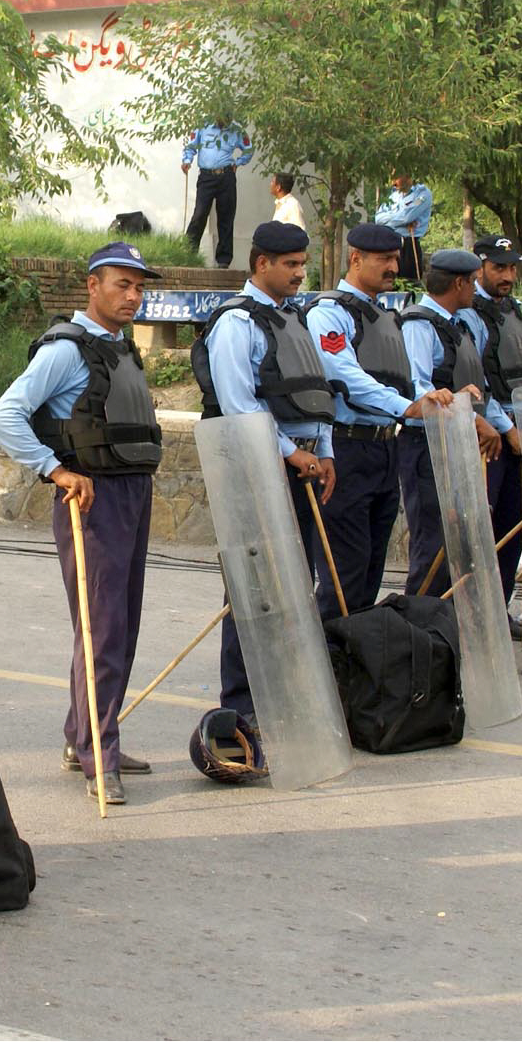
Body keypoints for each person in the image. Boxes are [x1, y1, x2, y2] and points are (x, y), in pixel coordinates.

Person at [0, 244, 162, 803]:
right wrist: (55, 470)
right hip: (92, 498)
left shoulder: (120, 350)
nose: (132, 296)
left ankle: (82, 737)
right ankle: (98, 758)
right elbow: (4, 415)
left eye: (139, 287)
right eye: (121, 285)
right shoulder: (66, 351)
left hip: (131, 491)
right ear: (93, 286)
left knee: (120, 625)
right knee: (102, 629)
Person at [196, 221, 335, 728]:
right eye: (291, 265)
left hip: (301, 466)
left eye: (303, 263)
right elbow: (238, 404)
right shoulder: (236, 323)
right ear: (261, 264)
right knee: (253, 585)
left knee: (297, 582)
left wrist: (325, 451)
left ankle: (284, 692)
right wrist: (288, 452)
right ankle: (243, 703)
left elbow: (316, 396)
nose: (301, 273)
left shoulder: (292, 318)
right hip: (255, 469)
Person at [304, 223, 454, 616]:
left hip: (386, 448)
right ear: (356, 259)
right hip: (347, 448)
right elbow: (342, 374)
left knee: (371, 570)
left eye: (395, 258)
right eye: (384, 259)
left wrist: (429, 399)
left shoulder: (385, 316)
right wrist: (405, 405)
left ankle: (356, 663)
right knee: (344, 574)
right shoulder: (330, 312)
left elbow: (406, 378)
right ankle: (332, 662)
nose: (393, 266)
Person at [396, 248, 511, 595]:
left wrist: (499, 425)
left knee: (459, 545)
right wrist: (474, 421)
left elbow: (479, 387)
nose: (476, 289)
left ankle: (446, 628)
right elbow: (420, 388)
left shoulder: (462, 325)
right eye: (473, 282)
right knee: (432, 545)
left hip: (458, 441)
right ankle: (421, 630)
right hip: (428, 444)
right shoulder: (419, 323)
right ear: (459, 283)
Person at [457, 234, 522, 622]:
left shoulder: (513, 310)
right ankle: (475, 612)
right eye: (498, 267)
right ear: (480, 269)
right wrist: (506, 427)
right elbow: (480, 378)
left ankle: (498, 608)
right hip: (488, 432)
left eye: (511, 267)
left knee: (511, 527)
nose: (507, 275)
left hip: (519, 428)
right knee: (482, 529)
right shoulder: (468, 313)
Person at [181, 121, 253, 268]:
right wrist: (187, 160)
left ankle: (224, 260)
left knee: (226, 217)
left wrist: (239, 162)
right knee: (199, 214)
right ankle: (188, 253)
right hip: (206, 177)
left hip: (226, 176)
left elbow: (249, 148)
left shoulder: (236, 129)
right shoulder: (202, 125)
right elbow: (191, 145)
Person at [375, 174, 433, 281]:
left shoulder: (422, 195)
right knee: (389, 281)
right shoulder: (393, 196)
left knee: (408, 283)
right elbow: (378, 219)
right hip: (390, 243)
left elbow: (407, 217)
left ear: (407, 176)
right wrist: (400, 219)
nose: (393, 182)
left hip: (408, 245)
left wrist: (391, 219)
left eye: (395, 178)